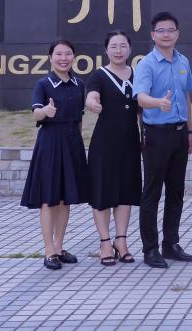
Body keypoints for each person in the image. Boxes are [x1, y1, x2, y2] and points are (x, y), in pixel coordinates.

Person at [134, 11, 192, 269]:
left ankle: (170, 244)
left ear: (177, 33)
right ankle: (150, 249)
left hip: (180, 134)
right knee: (152, 192)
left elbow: (186, 96)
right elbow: (140, 97)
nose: (166, 34)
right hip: (156, 135)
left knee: (176, 191)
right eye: (161, 30)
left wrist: (190, 130)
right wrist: (157, 102)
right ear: (153, 34)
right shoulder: (146, 64)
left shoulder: (183, 61)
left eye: (171, 30)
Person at [20, 38, 89, 270]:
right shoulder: (43, 84)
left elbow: (80, 118)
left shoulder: (79, 84)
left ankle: (59, 247)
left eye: (67, 54)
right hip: (50, 143)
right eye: (58, 54)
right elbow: (36, 114)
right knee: (49, 199)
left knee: (65, 198)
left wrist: (78, 144)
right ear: (51, 58)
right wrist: (46, 111)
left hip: (72, 143)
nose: (63, 58)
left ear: (73, 57)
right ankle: (48, 250)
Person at [85, 30, 140, 266]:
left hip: (130, 142)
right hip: (105, 143)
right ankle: (105, 243)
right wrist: (92, 103)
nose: (119, 50)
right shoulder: (99, 75)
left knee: (126, 191)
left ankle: (121, 241)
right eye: (114, 46)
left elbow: (141, 110)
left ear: (130, 49)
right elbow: (91, 97)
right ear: (106, 50)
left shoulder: (137, 75)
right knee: (103, 192)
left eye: (123, 46)